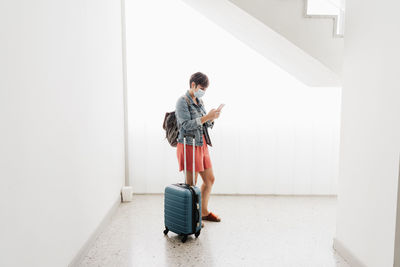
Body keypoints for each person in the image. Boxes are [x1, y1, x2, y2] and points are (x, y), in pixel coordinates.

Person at [175, 72, 222, 225]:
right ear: (193, 85)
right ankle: (191, 218)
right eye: (201, 88)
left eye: (205, 89)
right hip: (189, 145)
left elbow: (205, 123)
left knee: (210, 180)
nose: (203, 92)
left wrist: (212, 118)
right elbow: (186, 125)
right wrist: (206, 118)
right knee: (191, 185)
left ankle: (203, 212)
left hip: (201, 144)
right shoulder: (182, 101)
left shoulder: (200, 101)